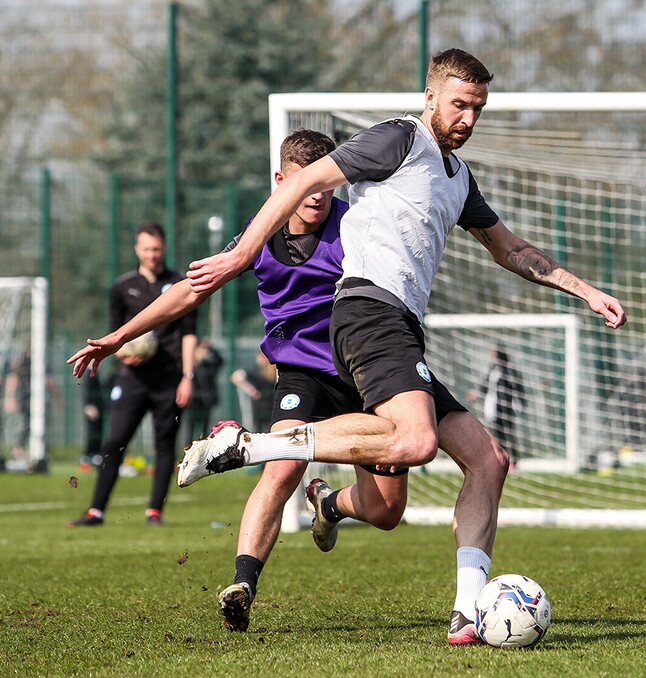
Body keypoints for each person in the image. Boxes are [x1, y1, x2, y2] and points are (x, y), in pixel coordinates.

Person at [179, 48, 625, 637]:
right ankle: (251, 447)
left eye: (478, 108)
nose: (468, 118)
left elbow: (511, 249)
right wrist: (241, 254)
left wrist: (584, 290)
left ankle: (467, 612)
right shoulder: (400, 139)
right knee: (415, 441)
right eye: (459, 104)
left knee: (488, 462)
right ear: (430, 96)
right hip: (367, 311)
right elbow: (309, 178)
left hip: (401, 326)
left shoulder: (458, 178)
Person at [68, 129, 511, 644]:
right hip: (302, 373)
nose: (318, 195)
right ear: (282, 181)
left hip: (368, 367)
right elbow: (190, 291)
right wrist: (120, 336)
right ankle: (243, 583)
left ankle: (330, 505)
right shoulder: (260, 233)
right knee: (281, 465)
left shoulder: (358, 225)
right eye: (306, 184)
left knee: (387, 512)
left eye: (326, 183)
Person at [68, 222, 197, 528]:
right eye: (147, 249)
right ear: (137, 249)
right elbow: (113, 334)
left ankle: (155, 512)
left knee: (165, 445)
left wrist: (187, 376)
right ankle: (96, 511)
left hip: (169, 377)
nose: (152, 254)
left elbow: (189, 334)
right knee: (114, 441)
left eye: (157, 249)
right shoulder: (122, 287)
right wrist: (125, 354)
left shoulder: (181, 284)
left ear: (164, 248)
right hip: (132, 378)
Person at [473, 345, 525, 469]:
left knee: (507, 434)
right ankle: (501, 459)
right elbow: (486, 384)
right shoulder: (493, 368)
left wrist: (519, 402)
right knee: (496, 434)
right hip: (493, 406)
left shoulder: (509, 370)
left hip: (506, 407)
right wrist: (477, 394)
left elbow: (516, 388)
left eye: (494, 353)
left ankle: (513, 461)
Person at [181, 337, 224, 445]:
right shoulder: (190, 368)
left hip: (206, 400)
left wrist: (210, 348)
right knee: (190, 427)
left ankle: (203, 447)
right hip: (193, 400)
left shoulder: (208, 365)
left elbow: (220, 361)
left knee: (205, 427)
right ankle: (188, 447)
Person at [230, 349, 276, 434]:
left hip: (259, 409)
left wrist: (251, 391)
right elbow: (236, 377)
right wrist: (251, 390)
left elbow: (236, 377)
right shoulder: (276, 373)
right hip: (271, 409)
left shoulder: (256, 372)